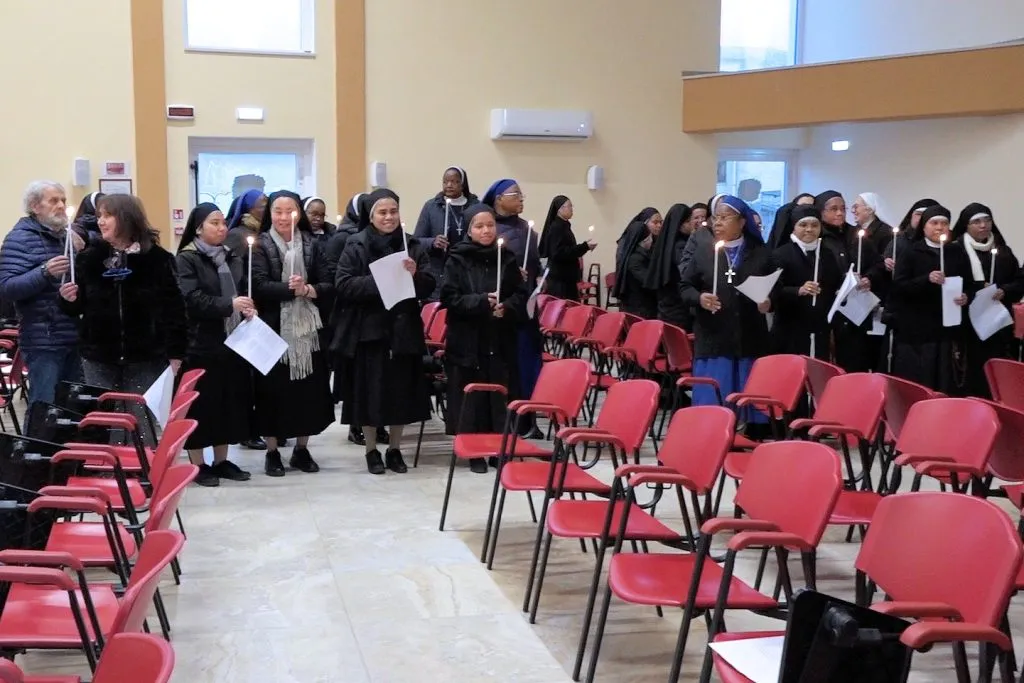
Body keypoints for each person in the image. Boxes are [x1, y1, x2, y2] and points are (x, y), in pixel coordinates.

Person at [57, 194, 187, 416]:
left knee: (140, 422)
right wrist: (68, 299)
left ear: (127, 218)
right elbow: (77, 308)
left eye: (108, 215)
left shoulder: (157, 259)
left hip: (146, 356)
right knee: (105, 423)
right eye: (99, 215)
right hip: (99, 356)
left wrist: (176, 353)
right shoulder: (89, 258)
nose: (100, 221)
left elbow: (175, 310)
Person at [334, 189, 434, 474]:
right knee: (370, 394)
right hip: (370, 331)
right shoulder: (356, 243)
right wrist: (382, 280)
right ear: (371, 216)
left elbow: (429, 285)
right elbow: (343, 284)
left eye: (393, 211)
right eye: (382, 212)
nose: (389, 217)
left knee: (400, 394)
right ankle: (370, 450)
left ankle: (394, 449)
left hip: (403, 329)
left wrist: (415, 275)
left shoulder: (411, 244)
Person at [250, 190, 335, 477]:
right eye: (278, 211)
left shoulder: (312, 244)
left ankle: (301, 449)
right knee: (272, 393)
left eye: (290, 211)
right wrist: (290, 289)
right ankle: (272, 451)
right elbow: (258, 285)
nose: (284, 217)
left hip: (308, 331)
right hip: (273, 330)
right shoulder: (260, 245)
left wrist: (308, 289)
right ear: (270, 214)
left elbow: (329, 283)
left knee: (306, 392)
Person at [679, 195, 775, 436]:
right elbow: (685, 286)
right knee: (715, 394)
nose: (718, 223)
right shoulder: (704, 251)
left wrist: (769, 302)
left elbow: (776, 287)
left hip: (748, 335)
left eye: (725, 217)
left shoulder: (760, 253)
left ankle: (745, 434)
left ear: (742, 222)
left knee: (746, 393)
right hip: (714, 335)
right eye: (716, 218)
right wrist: (700, 298)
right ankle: (711, 435)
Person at [440, 204, 526, 473]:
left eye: (490, 225)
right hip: (467, 339)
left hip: (498, 338)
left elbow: (520, 294)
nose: (486, 230)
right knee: (471, 396)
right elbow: (449, 297)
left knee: (497, 392)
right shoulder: (457, 258)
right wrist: (480, 301)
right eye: (479, 226)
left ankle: (498, 447)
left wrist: (506, 307)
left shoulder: (507, 258)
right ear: (469, 230)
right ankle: (473, 450)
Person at [175, 203, 256, 486]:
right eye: (215, 223)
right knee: (201, 405)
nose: (222, 228)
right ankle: (198, 464)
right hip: (199, 343)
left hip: (231, 341)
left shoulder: (232, 256)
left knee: (227, 403)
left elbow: (242, 289)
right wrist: (229, 305)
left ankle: (222, 461)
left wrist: (247, 307)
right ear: (198, 228)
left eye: (223, 222)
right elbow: (191, 299)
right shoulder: (187, 259)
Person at [0, 181, 85, 424]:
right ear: (35, 207)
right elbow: (7, 288)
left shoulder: (66, 237)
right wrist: (44, 272)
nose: (61, 206)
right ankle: (35, 449)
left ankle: (67, 450)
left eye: (63, 200)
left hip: (73, 336)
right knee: (44, 408)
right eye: (54, 201)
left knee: (71, 410)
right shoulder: (20, 239)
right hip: (43, 340)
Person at [482, 178, 544, 439]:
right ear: (499, 199)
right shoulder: (490, 229)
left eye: (521, 194)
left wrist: (539, 278)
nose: (520, 199)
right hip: (502, 310)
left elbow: (534, 264)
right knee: (507, 366)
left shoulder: (527, 230)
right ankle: (506, 419)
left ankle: (528, 417)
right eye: (515, 194)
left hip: (526, 309)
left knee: (528, 365)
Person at [323, 192, 385, 447]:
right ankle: (357, 424)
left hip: (379, 317)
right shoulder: (345, 239)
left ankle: (377, 423)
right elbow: (336, 275)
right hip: (350, 313)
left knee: (377, 380)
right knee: (356, 379)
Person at [890, 205, 972, 393]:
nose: (939, 227)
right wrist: (926, 279)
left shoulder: (956, 252)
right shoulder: (911, 252)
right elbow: (899, 287)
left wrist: (966, 296)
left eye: (944, 223)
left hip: (947, 328)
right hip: (919, 330)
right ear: (924, 227)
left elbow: (969, 283)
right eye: (934, 223)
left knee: (945, 378)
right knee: (922, 378)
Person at [950, 203, 1023, 397]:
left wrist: (1004, 290)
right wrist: (973, 291)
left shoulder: (1003, 251)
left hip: (997, 323)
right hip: (968, 325)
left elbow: (1019, 281)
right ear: (966, 225)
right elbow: (951, 283)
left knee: (997, 369)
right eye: (977, 222)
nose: (983, 225)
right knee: (972, 370)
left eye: (987, 220)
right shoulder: (956, 250)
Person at [816, 190, 882, 372]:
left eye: (843, 208)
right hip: (828, 307)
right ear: (821, 211)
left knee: (855, 361)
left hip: (855, 309)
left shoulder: (856, 235)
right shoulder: (818, 237)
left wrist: (869, 278)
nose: (840, 213)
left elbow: (877, 264)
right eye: (833, 209)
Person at [769, 204, 842, 358]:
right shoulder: (781, 254)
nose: (809, 229)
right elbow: (773, 290)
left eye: (814, 225)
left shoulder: (827, 254)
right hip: (790, 327)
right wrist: (798, 290)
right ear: (794, 227)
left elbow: (834, 282)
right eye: (803, 225)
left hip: (820, 327)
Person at [414, 167, 479, 301]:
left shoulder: (475, 206)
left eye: (454, 181)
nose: (449, 185)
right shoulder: (431, 206)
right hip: (439, 271)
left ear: (463, 184)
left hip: (468, 270)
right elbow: (416, 241)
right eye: (445, 181)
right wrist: (432, 242)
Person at [644, 203, 694, 330]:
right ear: (679, 224)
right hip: (679, 310)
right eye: (688, 221)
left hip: (666, 309)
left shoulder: (665, 243)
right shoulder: (681, 246)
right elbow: (689, 273)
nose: (692, 224)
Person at [538, 195, 595, 301]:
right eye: (569, 206)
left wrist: (584, 247)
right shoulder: (557, 227)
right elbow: (558, 253)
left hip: (566, 278)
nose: (571, 209)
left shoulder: (564, 226)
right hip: (560, 281)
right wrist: (583, 247)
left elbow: (568, 249)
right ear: (560, 209)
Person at [612, 207, 662, 318]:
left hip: (647, 302)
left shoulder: (654, 244)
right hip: (637, 304)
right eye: (655, 222)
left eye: (661, 222)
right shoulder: (633, 255)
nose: (659, 225)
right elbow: (648, 280)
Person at [224, 189, 267, 254]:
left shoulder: (267, 231)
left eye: (268, 205)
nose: (268, 209)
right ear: (250, 210)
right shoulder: (237, 235)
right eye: (263, 206)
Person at [851, 192, 895, 256]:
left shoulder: (886, 233)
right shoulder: (852, 231)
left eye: (856, 207)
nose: (853, 211)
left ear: (870, 210)